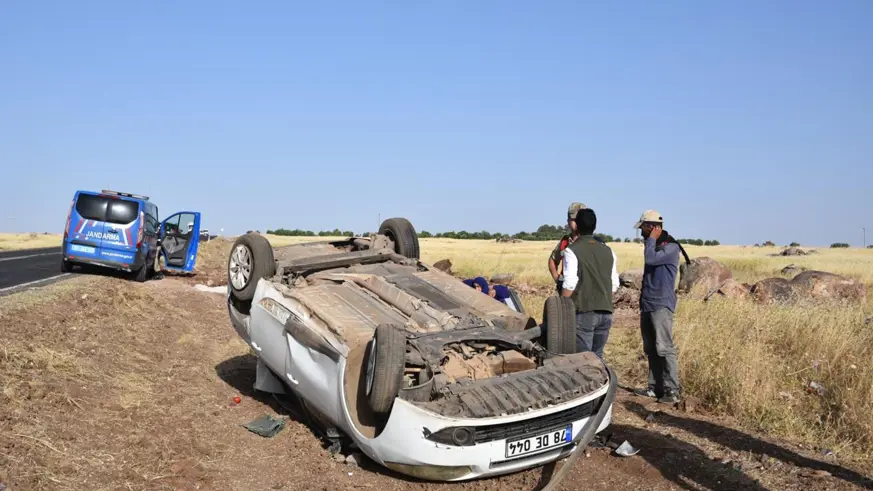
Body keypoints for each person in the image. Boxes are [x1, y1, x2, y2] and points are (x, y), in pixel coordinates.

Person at [633, 209, 682, 403]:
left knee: (664, 347)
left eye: (644, 228)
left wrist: (651, 240)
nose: (642, 232)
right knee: (651, 348)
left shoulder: (671, 247)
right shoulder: (653, 245)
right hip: (648, 303)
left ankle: (672, 390)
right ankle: (654, 387)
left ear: (652, 227)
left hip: (661, 304)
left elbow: (650, 259)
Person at [560, 208, 619, 359]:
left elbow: (570, 284)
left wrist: (561, 307)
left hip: (584, 312)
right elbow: (614, 285)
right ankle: (602, 383)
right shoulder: (609, 251)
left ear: (577, 226)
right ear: (595, 226)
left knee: (583, 360)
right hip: (606, 312)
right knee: (597, 357)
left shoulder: (571, 250)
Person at [548, 202, 587, 294]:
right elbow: (552, 260)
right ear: (568, 221)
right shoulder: (565, 242)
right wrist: (557, 279)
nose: (577, 222)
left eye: (580, 219)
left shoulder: (593, 242)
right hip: (566, 290)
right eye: (574, 219)